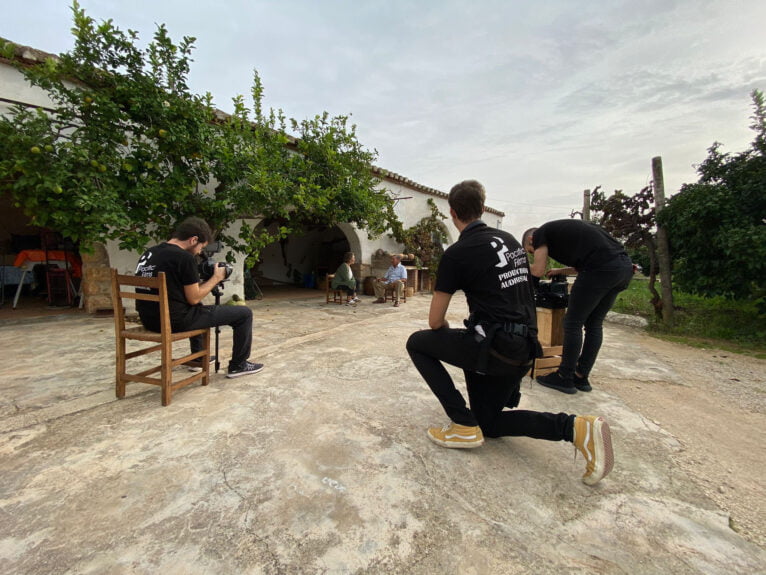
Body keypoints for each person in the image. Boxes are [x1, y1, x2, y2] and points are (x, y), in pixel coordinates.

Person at [406, 180, 614, 485]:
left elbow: (435, 321)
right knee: (488, 423)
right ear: (482, 206)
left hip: (494, 348)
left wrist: (450, 335)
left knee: (418, 343)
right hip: (524, 348)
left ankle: (462, 423)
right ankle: (575, 428)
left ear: (452, 212)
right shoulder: (511, 242)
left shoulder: (457, 253)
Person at [134, 217, 264, 378]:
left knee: (197, 308)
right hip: (173, 321)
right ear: (193, 239)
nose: (200, 252)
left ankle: (197, 359)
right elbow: (194, 298)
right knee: (244, 314)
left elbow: (177, 289)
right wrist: (216, 278)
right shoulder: (184, 258)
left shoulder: (150, 252)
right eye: (201, 247)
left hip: (149, 320)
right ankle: (239, 365)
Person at [522, 219, 634, 394]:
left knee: (572, 322)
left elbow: (537, 270)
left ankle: (564, 377)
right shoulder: (564, 232)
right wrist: (560, 272)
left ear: (530, 240)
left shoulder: (539, 234)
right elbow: (585, 261)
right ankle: (581, 377)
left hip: (600, 269)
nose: (535, 252)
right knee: (594, 324)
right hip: (623, 269)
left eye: (531, 251)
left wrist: (518, 266)